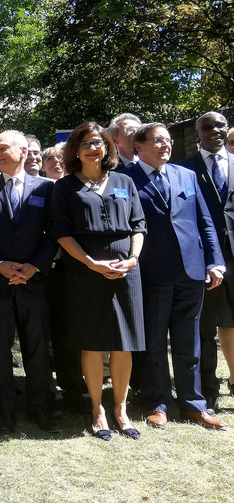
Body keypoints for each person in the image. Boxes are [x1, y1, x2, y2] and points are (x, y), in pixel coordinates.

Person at [122, 123, 227, 430]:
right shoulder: (124, 179)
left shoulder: (186, 175)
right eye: (158, 141)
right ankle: (157, 403)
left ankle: (194, 404)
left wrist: (214, 262)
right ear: (139, 146)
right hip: (151, 273)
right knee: (154, 343)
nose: (165, 145)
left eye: (168, 141)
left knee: (188, 341)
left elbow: (205, 222)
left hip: (191, 272)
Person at [51, 122, 146, 440]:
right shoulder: (64, 188)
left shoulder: (124, 181)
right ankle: (97, 409)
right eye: (86, 143)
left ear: (109, 147)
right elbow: (62, 233)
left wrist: (133, 258)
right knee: (91, 342)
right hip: (84, 273)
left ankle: (120, 409)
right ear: (75, 150)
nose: (94, 148)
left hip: (126, 272)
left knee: (124, 342)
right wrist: (91, 262)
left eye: (99, 143)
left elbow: (138, 225)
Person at [0, 131, 60, 434]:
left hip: (34, 285)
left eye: (2, 148)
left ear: (23, 151)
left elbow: (55, 234)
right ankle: (6, 411)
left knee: (36, 351)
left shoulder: (47, 189)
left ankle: (39, 408)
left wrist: (34, 267)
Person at [178, 111, 234, 410]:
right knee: (205, 328)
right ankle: (208, 390)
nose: (214, 130)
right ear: (197, 133)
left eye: (220, 125)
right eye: (207, 127)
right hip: (204, 258)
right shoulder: (184, 169)